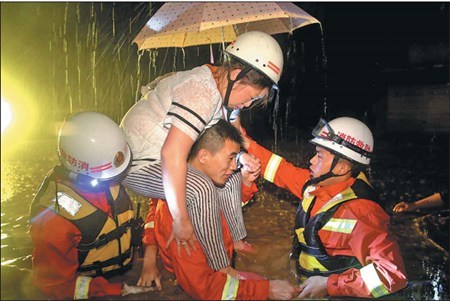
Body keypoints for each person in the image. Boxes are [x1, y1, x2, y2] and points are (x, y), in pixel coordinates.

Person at [120, 31, 284, 273]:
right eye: (249, 98)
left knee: (231, 172)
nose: (247, 105)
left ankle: (236, 240)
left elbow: (233, 133)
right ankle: (221, 268)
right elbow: (171, 155)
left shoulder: (217, 86)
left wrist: (242, 156)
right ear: (236, 75)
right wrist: (181, 219)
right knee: (201, 188)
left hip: (164, 155)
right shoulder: (202, 93)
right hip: (138, 164)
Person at [242, 117, 408, 298]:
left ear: (341, 168)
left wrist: (330, 285)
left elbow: (392, 275)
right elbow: (279, 169)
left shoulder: (362, 212)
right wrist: (242, 140)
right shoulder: (316, 187)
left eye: (319, 156)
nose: (311, 161)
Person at [138, 120, 299, 300]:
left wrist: (244, 184)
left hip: (219, 264)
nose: (234, 166)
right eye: (230, 158)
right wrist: (265, 290)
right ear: (204, 156)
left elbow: (222, 215)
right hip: (196, 283)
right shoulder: (181, 214)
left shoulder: (206, 182)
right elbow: (202, 288)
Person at [29, 112, 154, 299]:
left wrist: (150, 255)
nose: (116, 179)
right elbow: (55, 285)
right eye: (111, 176)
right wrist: (116, 290)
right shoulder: (54, 219)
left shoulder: (106, 170)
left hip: (129, 265)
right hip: (93, 287)